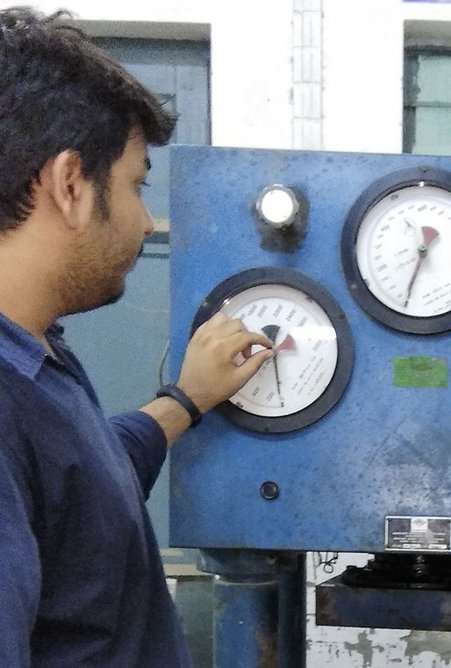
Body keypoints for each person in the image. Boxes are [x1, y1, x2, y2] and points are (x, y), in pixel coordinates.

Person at [0, 7, 272, 667]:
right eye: (136, 186)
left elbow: (87, 480)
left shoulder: (38, 355)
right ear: (69, 185)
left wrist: (185, 398)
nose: (148, 222)